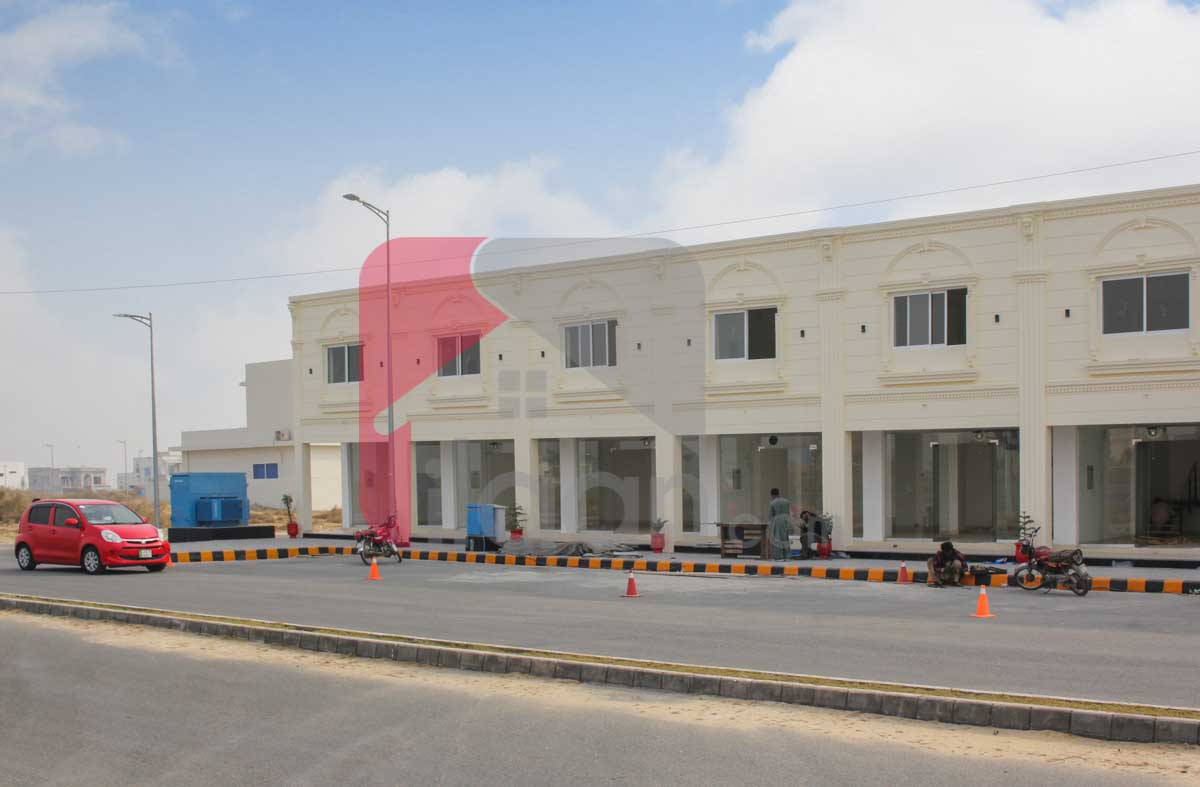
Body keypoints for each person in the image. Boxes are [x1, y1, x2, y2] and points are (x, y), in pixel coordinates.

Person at [768, 488, 792, 561]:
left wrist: (770, 524)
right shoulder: (787, 501)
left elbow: (771, 515)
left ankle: (779, 556)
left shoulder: (772, 503)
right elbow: (788, 513)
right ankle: (787, 555)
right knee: (785, 538)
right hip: (785, 521)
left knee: (777, 539)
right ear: (779, 493)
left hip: (777, 522)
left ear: (772, 495)